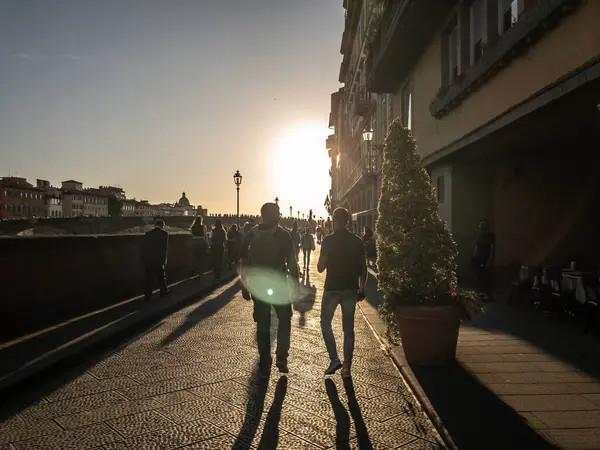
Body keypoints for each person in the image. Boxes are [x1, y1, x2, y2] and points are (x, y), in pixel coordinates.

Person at [241, 202, 299, 377]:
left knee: (263, 322)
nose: (280, 214)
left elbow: (244, 263)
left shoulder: (251, 234)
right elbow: (291, 261)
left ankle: (265, 358)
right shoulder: (283, 234)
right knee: (285, 318)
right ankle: (282, 356)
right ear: (274, 215)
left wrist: (244, 285)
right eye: (278, 212)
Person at [317, 207, 367, 378]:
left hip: (332, 288)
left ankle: (334, 359)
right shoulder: (357, 241)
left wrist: (323, 261)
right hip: (350, 289)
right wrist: (362, 288)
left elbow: (320, 267)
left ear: (333, 220)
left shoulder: (328, 241)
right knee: (349, 329)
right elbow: (363, 267)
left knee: (325, 323)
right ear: (347, 221)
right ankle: (346, 368)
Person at [140, 219, 170, 300]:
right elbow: (165, 248)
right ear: (162, 226)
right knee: (161, 277)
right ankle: (163, 292)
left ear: (155, 225)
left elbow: (144, 247)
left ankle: (147, 295)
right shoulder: (164, 234)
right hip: (159, 259)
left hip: (149, 258)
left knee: (149, 278)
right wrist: (164, 260)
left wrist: (143, 258)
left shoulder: (147, 234)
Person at [472, 219, 496, 301]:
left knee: (487, 277)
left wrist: (490, 260)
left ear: (486, 226)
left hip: (486, 258)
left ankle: (489, 295)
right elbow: (476, 247)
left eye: (483, 224)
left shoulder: (490, 236)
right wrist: (474, 257)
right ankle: (482, 293)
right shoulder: (479, 236)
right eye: (480, 224)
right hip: (479, 259)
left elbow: (492, 248)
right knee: (480, 276)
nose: (482, 226)